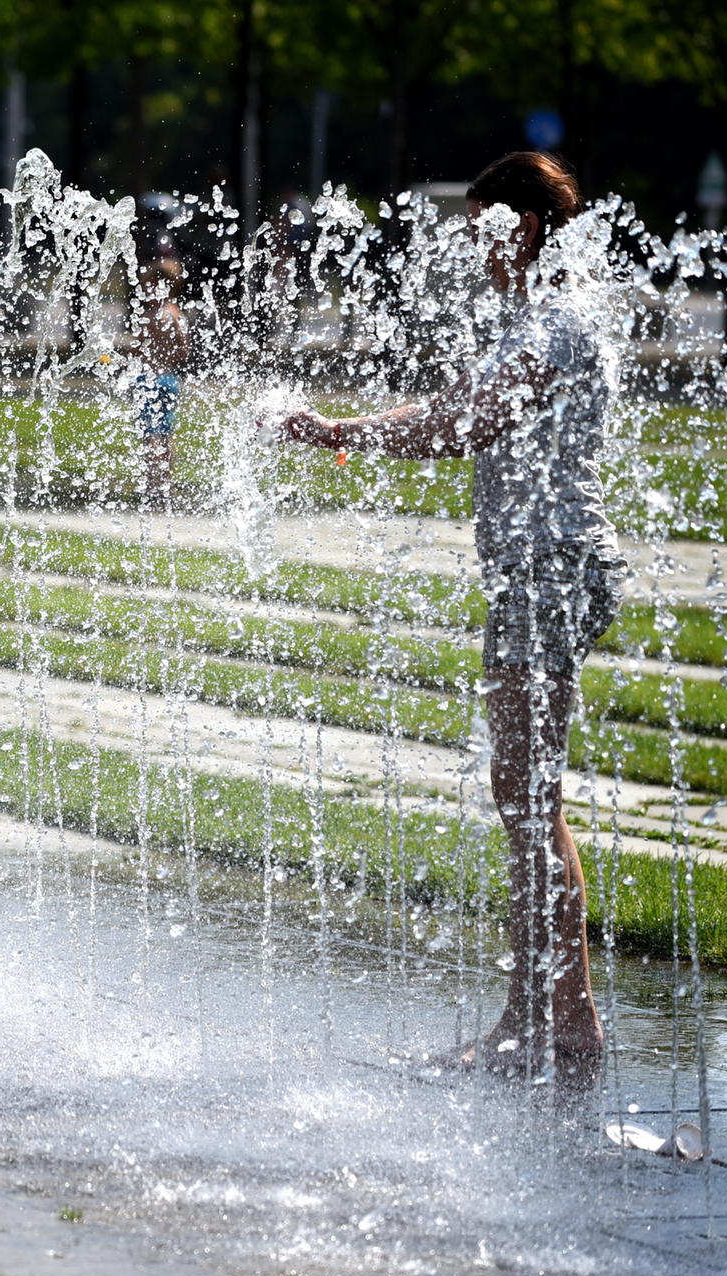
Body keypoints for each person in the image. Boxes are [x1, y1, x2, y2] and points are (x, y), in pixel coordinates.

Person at [266, 151, 626, 1081]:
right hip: (538, 568)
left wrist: (342, 434)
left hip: (551, 568)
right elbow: (458, 405)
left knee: (526, 797)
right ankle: (543, 1016)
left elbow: (469, 420)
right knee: (527, 796)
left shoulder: (553, 322)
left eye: (487, 234)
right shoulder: (544, 315)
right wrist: (348, 430)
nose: (479, 253)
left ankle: (559, 1026)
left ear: (528, 229)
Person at [127, 255, 190, 509]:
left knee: (149, 434)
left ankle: (152, 484)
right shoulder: (175, 313)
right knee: (165, 433)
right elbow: (184, 350)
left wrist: (132, 354)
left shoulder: (149, 314)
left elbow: (138, 348)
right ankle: (163, 485)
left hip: (148, 379)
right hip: (169, 379)